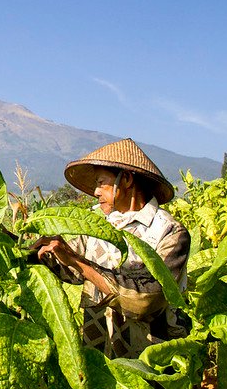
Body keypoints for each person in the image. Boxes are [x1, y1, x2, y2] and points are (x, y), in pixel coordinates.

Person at [32, 138, 190, 360]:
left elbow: (147, 298)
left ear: (126, 179)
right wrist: (8, 243)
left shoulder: (169, 232)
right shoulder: (99, 227)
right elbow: (67, 268)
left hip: (153, 359)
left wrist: (78, 262)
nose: (95, 192)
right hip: (100, 353)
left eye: (101, 183)